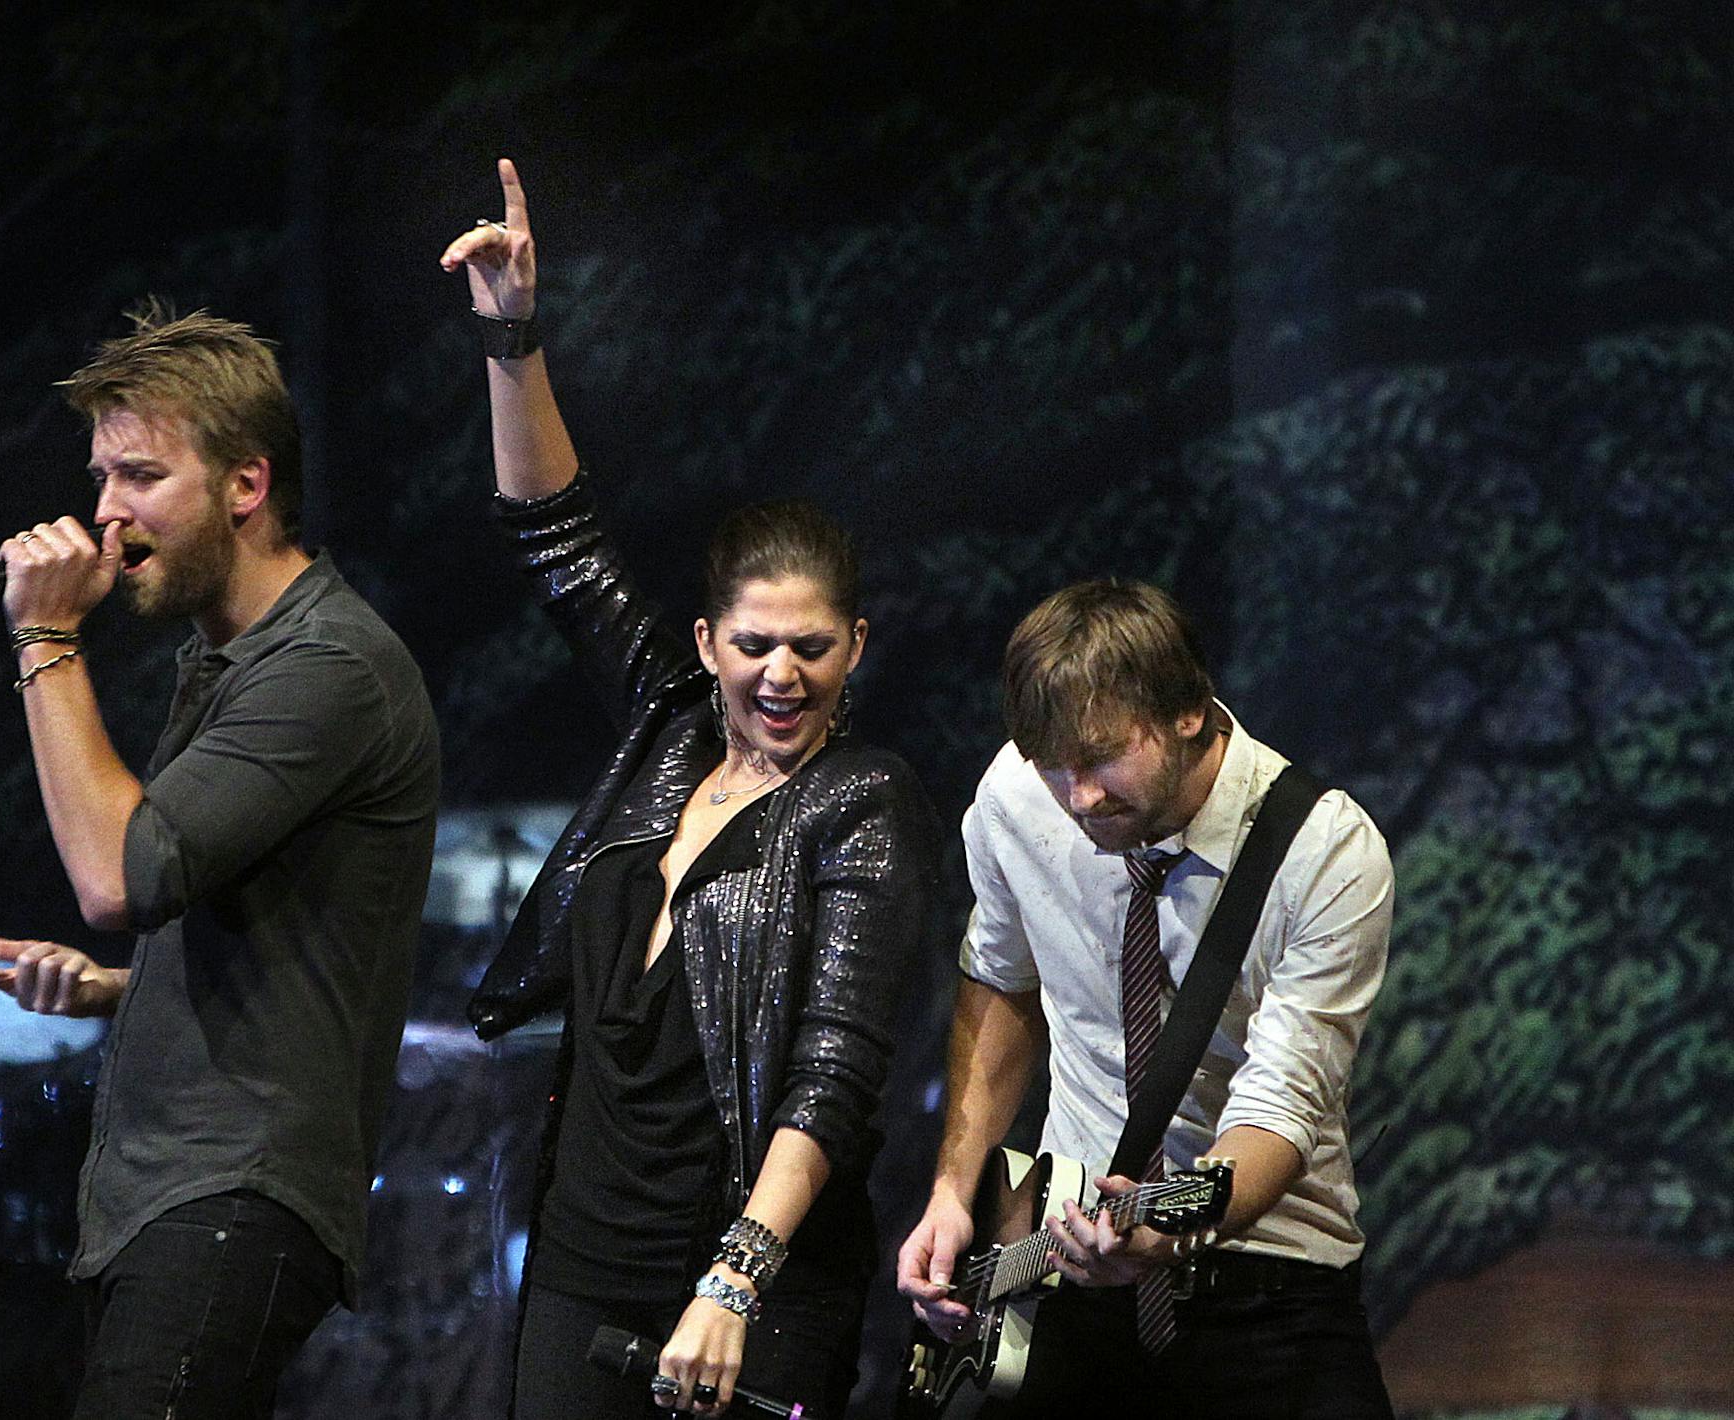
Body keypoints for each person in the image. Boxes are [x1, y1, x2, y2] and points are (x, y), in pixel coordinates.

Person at [439, 159, 938, 1420]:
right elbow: (556, 532)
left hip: (742, 1281)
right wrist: (512, 335)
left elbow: (834, 1072)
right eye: (755, 643)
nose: (781, 673)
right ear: (708, 640)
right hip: (579, 1261)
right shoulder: (666, 731)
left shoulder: (863, 804)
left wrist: (738, 1276)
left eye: (812, 647)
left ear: (858, 648)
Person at [0, 304, 441, 1420]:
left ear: (246, 485)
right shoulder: (232, 661)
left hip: (231, 1192)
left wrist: (45, 638)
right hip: (175, 1195)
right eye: (102, 478)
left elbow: (116, 879)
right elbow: (287, 941)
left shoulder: (325, 667)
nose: (106, 515)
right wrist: (125, 990)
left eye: (141, 476)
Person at [895, 579, 1395, 1418]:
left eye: (1098, 758)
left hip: (1272, 1270)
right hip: (1061, 1254)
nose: (1077, 796)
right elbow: (1000, 981)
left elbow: (1283, 1104)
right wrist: (952, 1190)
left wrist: (1168, 1228)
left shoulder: (1328, 853)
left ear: (1188, 711)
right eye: (1051, 765)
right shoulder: (1016, 800)